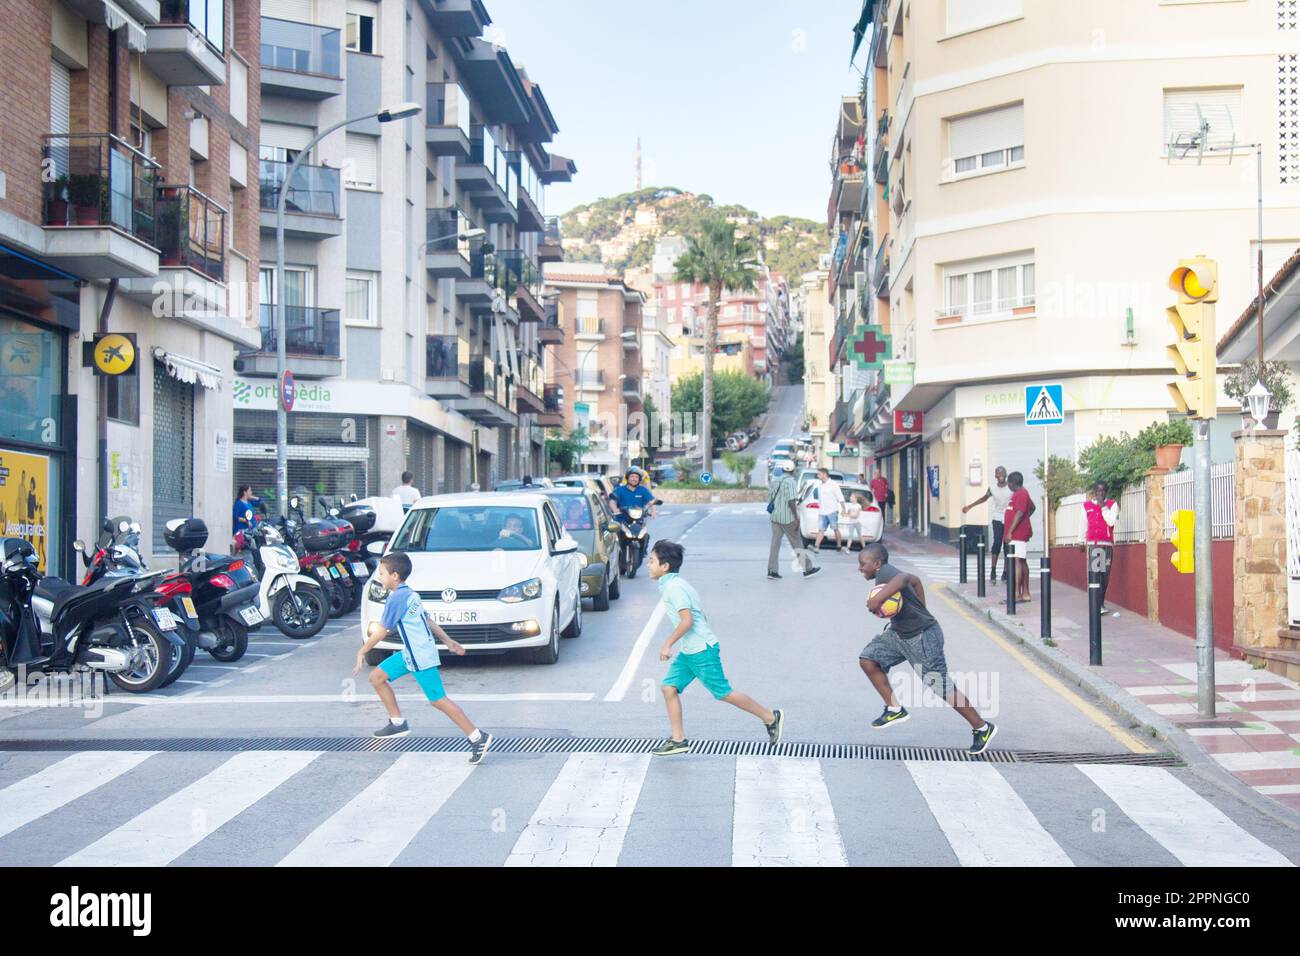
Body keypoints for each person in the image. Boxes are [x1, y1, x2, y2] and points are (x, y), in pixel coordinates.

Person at [858, 542, 998, 754]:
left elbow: (906, 578)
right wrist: (920, 607)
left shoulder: (886, 572)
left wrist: (879, 598)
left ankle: (982, 727)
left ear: (877, 564)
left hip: (923, 637)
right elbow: (916, 581)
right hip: (899, 634)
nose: (860, 568)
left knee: (941, 686)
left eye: (863, 564)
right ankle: (894, 708)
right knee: (868, 659)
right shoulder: (881, 576)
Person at [648, 539, 785, 756]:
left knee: (723, 693)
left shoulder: (674, 588)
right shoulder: (677, 584)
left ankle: (770, 717)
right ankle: (678, 740)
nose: (648, 564)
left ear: (665, 566)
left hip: (701, 650)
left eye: (652, 561)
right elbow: (700, 615)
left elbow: (687, 621)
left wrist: (666, 644)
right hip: (691, 650)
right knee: (668, 687)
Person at [354, 551, 493, 763]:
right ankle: (398, 722)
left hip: (420, 655)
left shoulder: (397, 598)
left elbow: (382, 631)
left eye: (382, 573)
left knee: (438, 700)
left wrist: (362, 651)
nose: (379, 577)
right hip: (411, 653)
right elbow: (427, 620)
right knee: (377, 678)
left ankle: (477, 737)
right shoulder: (410, 594)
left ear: (395, 576)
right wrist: (447, 641)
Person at [766, 459, 820, 580]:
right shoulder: (790, 482)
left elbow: (770, 498)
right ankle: (807, 569)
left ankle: (771, 570)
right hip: (788, 518)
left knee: (775, 545)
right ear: (793, 470)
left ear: (783, 469)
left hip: (775, 517)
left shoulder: (775, 480)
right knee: (797, 544)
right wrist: (796, 517)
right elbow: (791, 500)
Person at [961, 466, 1011, 583]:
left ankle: (1005, 571)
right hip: (997, 518)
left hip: (1009, 518)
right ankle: (993, 571)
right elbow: (983, 498)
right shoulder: (992, 488)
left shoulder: (1011, 487)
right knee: (997, 544)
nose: (1000, 475)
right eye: (998, 473)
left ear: (1006, 474)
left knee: (1007, 546)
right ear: (995, 476)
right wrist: (970, 506)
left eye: (1002, 473)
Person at [1081, 480, 1118, 614]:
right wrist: (1080, 541)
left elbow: (1111, 521)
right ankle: (1095, 604)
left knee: (1104, 576)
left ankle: (1101, 602)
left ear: (1106, 492)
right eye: (1097, 491)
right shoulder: (1087, 506)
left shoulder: (1112, 505)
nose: (1100, 493)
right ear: (1094, 491)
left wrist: (1103, 507)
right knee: (1094, 574)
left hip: (1106, 545)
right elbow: (1083, 524)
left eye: (1102, 491)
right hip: (1093, 545)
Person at [1003, 471, 1035, 603]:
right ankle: (1024, 593)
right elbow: (1031, 508)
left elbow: (1021, 512)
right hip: (1018, 533)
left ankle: (1017, 593)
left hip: (1017, 535)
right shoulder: (1020, 494)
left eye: (1008, 483)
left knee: (1017, 562)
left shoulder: (1021, 493)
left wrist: (1010, 531)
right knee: (1021, 561)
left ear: (1011, 483)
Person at [809, 467, 846, 553]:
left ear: (824, 474)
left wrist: (843, 509)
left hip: (832, 511)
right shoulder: (820, 486)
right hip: (822, 512)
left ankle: (839, 545)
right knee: (821, 529)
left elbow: (840, 497)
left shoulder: (833, 484)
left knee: (835, 528)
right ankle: (816, 546)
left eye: (819, 474)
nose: (818, 476)